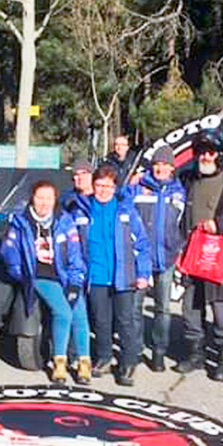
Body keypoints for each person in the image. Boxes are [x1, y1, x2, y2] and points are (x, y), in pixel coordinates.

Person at [173, 133, 223, 381]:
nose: (206, 156)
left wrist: (219, 224)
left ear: (219, 154)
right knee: (190, 309)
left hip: (220, 259)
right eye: (201, 151)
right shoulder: (187, 179)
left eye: (211, 152)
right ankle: (195, 355)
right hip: (191, 254)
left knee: (222, 312)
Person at [0, 180, 92, 384]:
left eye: (48, 198)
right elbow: (9, 252)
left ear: (54, 200)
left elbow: (76, 255)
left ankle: (84, 363)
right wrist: (21, 273)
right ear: (32, 198)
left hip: (64, 274)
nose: (43, 203)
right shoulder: (20, 222)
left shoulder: (65, 221)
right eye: (39, 198)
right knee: (63, 312)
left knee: (79, 312)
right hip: (40, 276)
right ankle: (59, 362)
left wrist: (76, 282)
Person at [69, 164, 150, 386]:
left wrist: (143, 273)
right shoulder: (81, 210)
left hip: (123, 276)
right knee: (101, 321)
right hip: (95, 276)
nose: (103, 190)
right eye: (99, 185)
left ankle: (128, 362)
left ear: (115, 188)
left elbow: (142, 244)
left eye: (108, 186)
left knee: (125, 321)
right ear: (93, 185)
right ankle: (104, 357)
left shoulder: (126, 211)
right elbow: (73, 245)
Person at [127, 146, 186, 373]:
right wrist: (129, 184)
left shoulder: (179, 191)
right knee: (135, 307)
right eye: (157, 164)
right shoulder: (138, 187)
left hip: (167, 258)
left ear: (172, 167)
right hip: (140, 258)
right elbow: (123, 207)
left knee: (163, 308)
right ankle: (136, 348)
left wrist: (178, 246)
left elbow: (183, 223)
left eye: (165, 164)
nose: (161, 168)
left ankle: (159, 352)